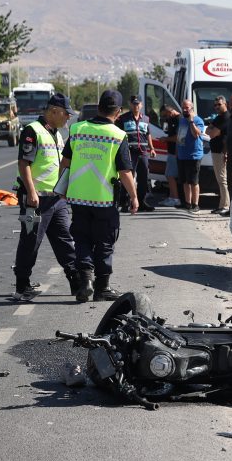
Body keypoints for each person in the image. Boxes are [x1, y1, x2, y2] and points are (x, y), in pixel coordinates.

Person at [58, 90, 139, 302]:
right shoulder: (118, 135)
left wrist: (62, 189)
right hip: (104, 199)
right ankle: (102, 287)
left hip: (78, 198)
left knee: (82, 239)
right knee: (104, 242)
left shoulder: (77, 129)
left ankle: (85, 282)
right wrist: (134, 196)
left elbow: (65, 163)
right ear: (118, 112)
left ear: (99, 107)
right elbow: (124, 172)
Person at [10, 93, 79, 302]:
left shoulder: (56, 134)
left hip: (56, 199)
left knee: (65, 240)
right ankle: (22, 286)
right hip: (37, 199)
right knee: (31, 242)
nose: (68, 118)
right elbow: (25, 164)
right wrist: (31, 192)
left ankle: (77, 282)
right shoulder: (33, 131)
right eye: (66, 114)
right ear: (54, 110)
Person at [115, 96, 155, 212]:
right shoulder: (123, 118)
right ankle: (125, 202)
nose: (136, 106)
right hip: (129, 151)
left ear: (141, 105)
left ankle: (141, 202)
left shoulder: (146, 119)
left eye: (138, 104)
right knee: (128, 176)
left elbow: (148, 134)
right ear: (130, 105)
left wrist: (152, 148)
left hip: (143, 151)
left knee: (143, 177)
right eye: (134, 104)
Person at [178, 99, 206, 213]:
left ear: (192, 108)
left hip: (194, 155)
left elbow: (196, 135)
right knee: (185, 181)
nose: (185, 110)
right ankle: (187, 203)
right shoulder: (181, 120)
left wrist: (191, 122)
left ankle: (196, 204)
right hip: (182, 154)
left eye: (187, 108)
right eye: (183, 107)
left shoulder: (198, 120)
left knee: (194, 182)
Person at [206, 96, 231, 215]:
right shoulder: (218, 118)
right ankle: (222, 205)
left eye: (219, 104)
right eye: (215, 105)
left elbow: (212, 134)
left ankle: (225, 205)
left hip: (221, 151)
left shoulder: (226, 117)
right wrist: (212, 128)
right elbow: (207, 131)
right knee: (220, 179)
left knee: (222, 180)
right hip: (216, 151)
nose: (216, 107)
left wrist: (212, 128)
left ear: (225, 104)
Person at [156, 104, 181, 208]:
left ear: (170, 112)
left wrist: (165, 139)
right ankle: (171, 197)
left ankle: (175, 198)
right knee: (168, 175)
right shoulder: (171, 120)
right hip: (170, 151)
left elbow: (178, 137)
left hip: (176, 151)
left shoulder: (179, 119)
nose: (165, 118)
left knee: (170, 175)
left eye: (165, 115)